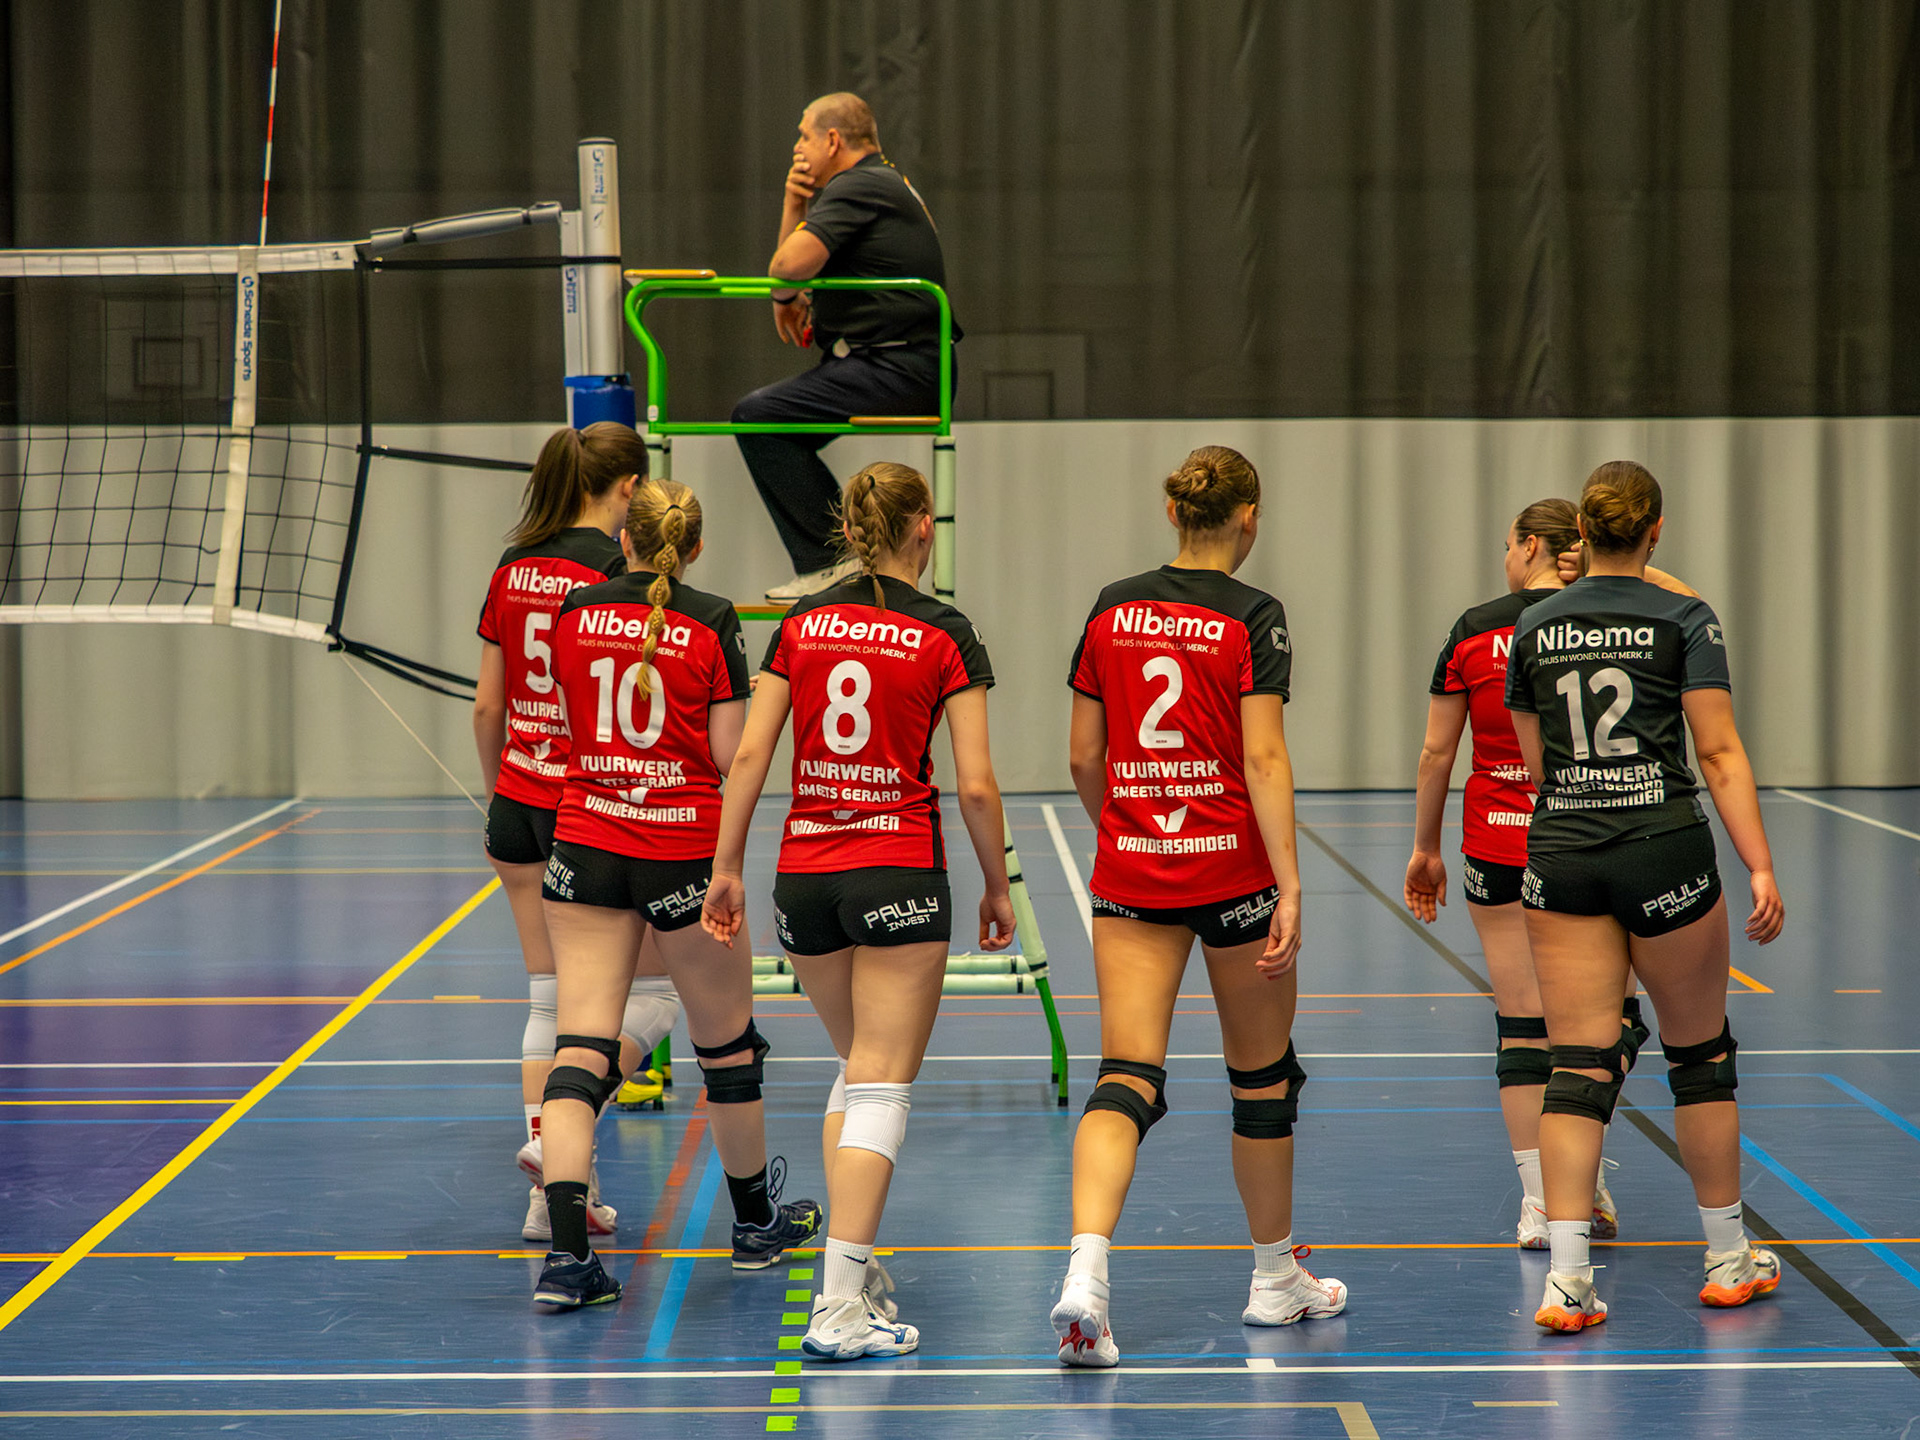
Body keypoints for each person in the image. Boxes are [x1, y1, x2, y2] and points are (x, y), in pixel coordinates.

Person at [703, 460, 1015, 1360]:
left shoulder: (800, 623)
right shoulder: (946, 631)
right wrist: (996, 885)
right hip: (897, 872)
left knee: (857, 1069)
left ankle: (855, 1267)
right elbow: (977, 785)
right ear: (924, 527)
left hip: (805, 878)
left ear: (846, 530)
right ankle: (838, 1306)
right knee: (880, 1080)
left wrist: (725, 865)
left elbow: (750, 755)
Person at [1049, 445, 1346, 1370]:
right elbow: (1264, 757)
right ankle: (1273, 1278)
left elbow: (1083, 756)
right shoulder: (1254, 614)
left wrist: (1127, 832)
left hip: (1134, 872)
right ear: (1249, 516)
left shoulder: (1111, 605)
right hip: (1233, 872)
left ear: (1173, 510)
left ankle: (1087, 1274)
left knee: (1125, 1076)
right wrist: (1290, 883)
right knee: (1261, 1079)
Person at [1505, 461, 1785, 1332]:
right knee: (1700, 1059)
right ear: (1655, 531)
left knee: (1577, 1066)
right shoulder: (1686, 618)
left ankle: (1567, 1282)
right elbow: (1720, 752)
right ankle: (1729, 1261)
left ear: (1581, 534)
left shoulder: (1534, 624)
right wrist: (1760, 866)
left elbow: (1537, 763)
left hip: (1564, 852)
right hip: (1665, 849)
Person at [530, 476, 823, 1309]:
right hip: (681, 851)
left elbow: (570, 720)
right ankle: (755, 1225)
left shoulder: (573, 610)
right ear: (693, 548)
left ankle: (568, 1259)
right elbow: (731, 755)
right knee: (727, 1049)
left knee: (580, 1051)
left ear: (624, 538)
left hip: (586, 844)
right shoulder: (713, 619)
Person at [1406, 499, 1696, 1247]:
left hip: (1496, 845)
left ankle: (1544, 1200)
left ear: (1533, 545)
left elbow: (1437, 752)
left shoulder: (1474, 629)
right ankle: (1576, 1183)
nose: (1506, 558)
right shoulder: (1611, 620)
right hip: (1590, 837)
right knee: (1606, 1030)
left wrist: (1425, 847)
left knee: (1522, 1027)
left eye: (1509, 545)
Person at [473, 422, 683, 1245]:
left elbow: (488, 705)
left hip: (517, 796)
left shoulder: (512, 565)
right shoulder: (610, 571)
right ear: (629, 489)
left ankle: (552, 1196)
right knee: (656, 996)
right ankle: (573, 1123)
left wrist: (498, 793)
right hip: (590, 806)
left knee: (546, 997)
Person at [734, 93, 955, 602]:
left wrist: (784, 296)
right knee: (766, 421)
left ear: (832, 140)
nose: (797, 147)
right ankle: (833, 558)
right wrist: (794, 205)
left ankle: (829, 560)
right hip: (900, 361)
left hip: (902, 367)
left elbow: (786, 268)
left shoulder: (859, 185)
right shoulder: (880, 182)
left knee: (758, 418)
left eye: (803, 135)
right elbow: (793, 269)